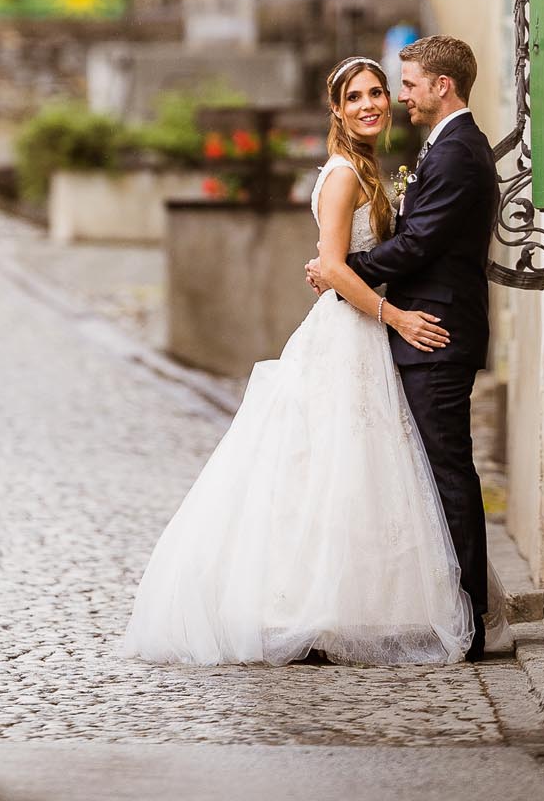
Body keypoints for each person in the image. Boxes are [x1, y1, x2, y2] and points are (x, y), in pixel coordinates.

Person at [119, 55, 474, 667]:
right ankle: (309, 606)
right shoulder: (343, 175)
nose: (371, 104)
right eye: (356, 97)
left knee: (357, 470)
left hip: (362, 330)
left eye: (379, 93)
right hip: (353, 330)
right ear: (336, 111)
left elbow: (346, 262)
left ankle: (353, 603)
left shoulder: (365, 167)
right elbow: (333, 266)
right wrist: (395, 317)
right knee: (333, 468)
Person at [306, 34, 499, 661]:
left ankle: (463, 616)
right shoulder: (417, 155)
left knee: (441, 473)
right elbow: (409, 243)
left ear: (440, 85)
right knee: (394, 473)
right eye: (360, 94)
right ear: (337, 110)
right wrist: (345, 274)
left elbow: (415, 246)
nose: (394, 98)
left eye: (399, 85)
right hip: (402, 327)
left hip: (432, 331)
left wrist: (344, 268)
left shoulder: (455, 153)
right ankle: (431, 606)